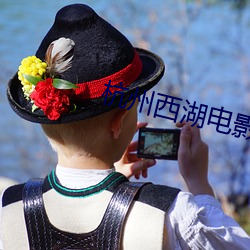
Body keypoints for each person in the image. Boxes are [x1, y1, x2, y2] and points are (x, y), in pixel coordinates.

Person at [1, 3, 249, 249]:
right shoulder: (171, 213)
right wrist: (199, 185)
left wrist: (119, 187)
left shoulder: (10, 208)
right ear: (119, 123)